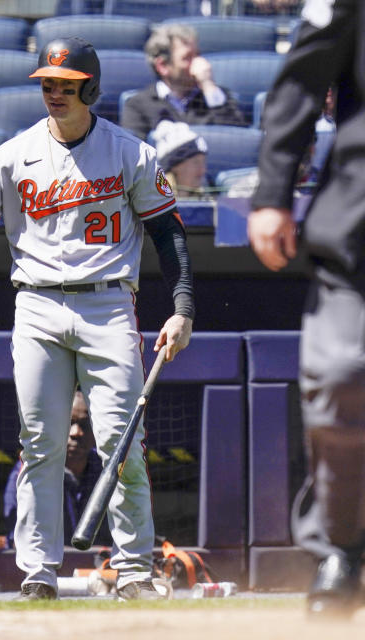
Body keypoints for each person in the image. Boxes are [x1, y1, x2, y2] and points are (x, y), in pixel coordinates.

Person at [0, 37, 194, 601]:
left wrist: (184, 307)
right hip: (38, 305)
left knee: (123, 446)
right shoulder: (13, 153)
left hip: (107, 302)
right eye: (46, 83)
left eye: (64, 84)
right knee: (40, 445)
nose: (52, 92)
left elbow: (169, 234)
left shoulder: (130, 153)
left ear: (89, 89)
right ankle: (38, 574)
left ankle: (136, 573)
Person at [247, 0, 365, 619]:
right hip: (358, 229)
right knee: (340, 376)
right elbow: (300, 80)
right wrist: (272, 193)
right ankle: (340, 548)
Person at [2, 390, 112, 550]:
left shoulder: (107, 470)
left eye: (85, 425)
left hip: (96, 567)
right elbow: (18, 538)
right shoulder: (32, 468)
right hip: (46, 566)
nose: (76, 433)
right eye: (69, 423)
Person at [120, 24, 246, 141]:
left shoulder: (218, 97)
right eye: (187, 58)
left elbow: (236, 141)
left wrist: (208, 85)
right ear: (162, 65)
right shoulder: (137, 105)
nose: (200, 63)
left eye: (198, 55)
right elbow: (133, 157)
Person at [150, 121, 209, 200]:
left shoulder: (211, 205)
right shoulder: (152, 207)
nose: (203, 170)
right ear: (174, 167)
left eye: (203, 162)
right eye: (196, 163)